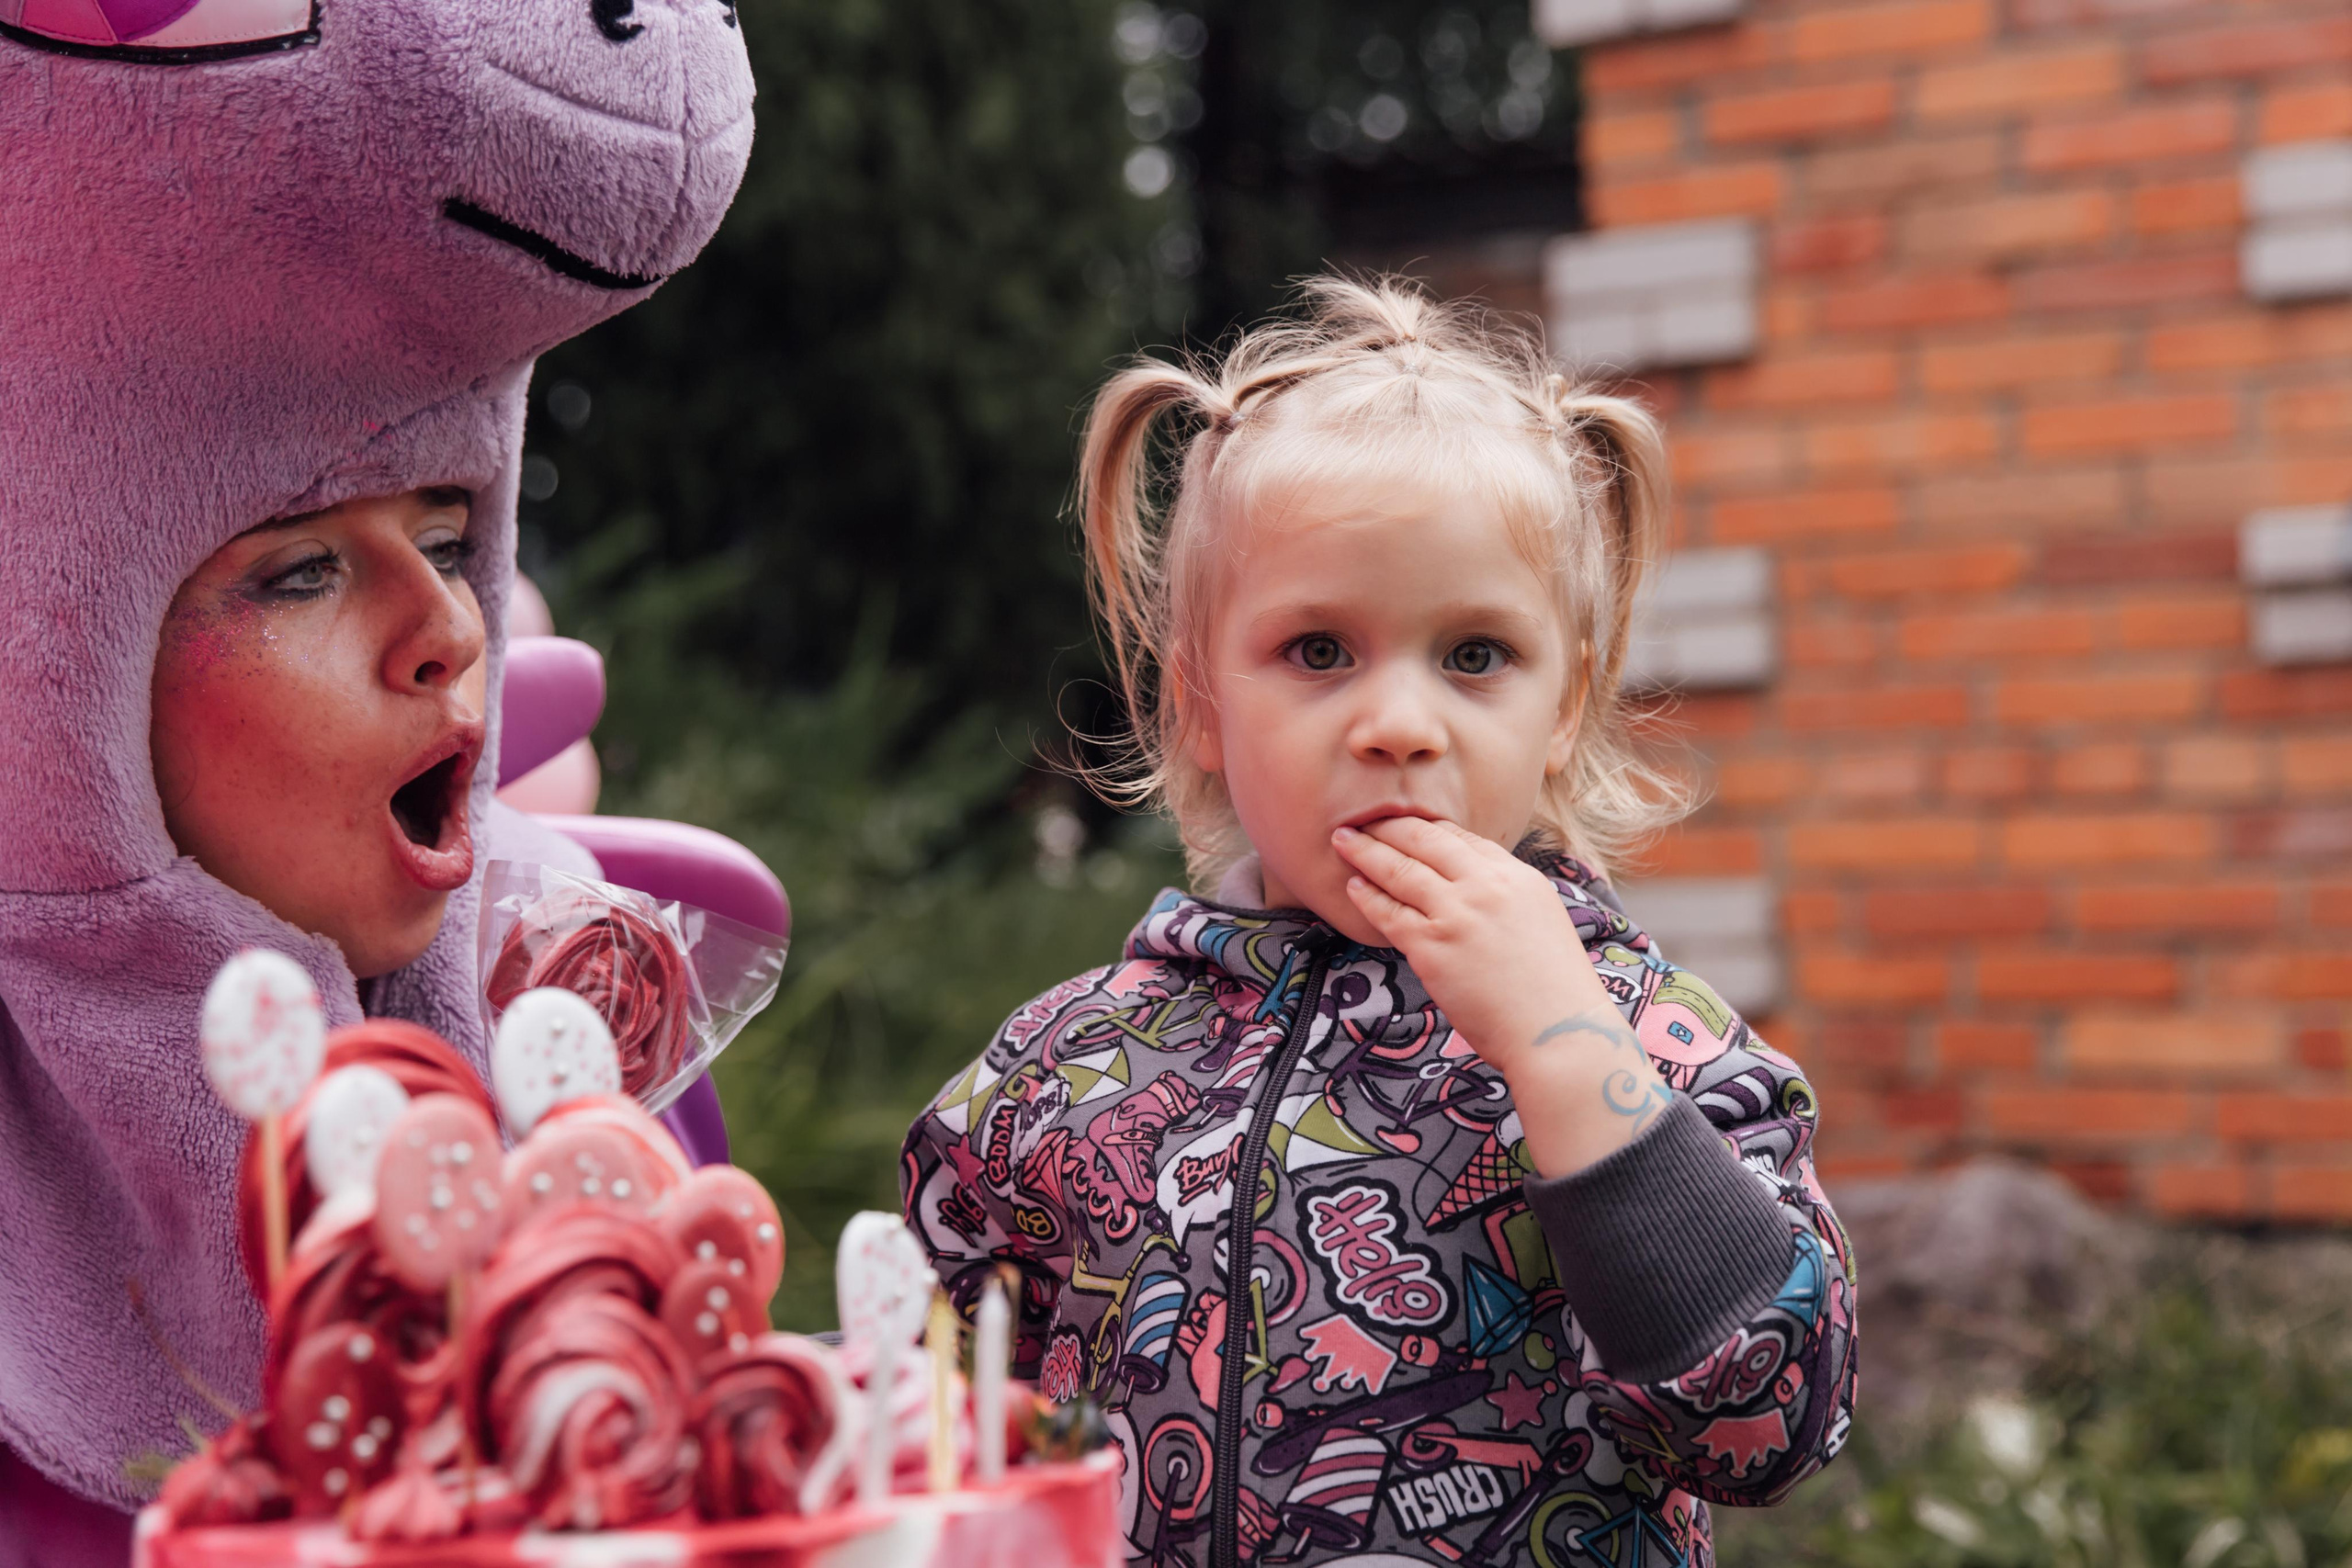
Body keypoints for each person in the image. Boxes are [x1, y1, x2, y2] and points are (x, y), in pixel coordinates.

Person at [900, 277, 1856, 1566]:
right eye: (1317, 651)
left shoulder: (1649, 1038)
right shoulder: (1062, 1070)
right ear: (1198, 702)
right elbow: (923, 1417)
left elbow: (1771, 1425)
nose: (1399, 724)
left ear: (1564, 705)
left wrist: (1568, 1052)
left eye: (1473, 656)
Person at [0, 3, 753, 1560]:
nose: (445, 630)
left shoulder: (584, 1033)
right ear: (50, 658)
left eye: (446, 534)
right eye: (297, 571)